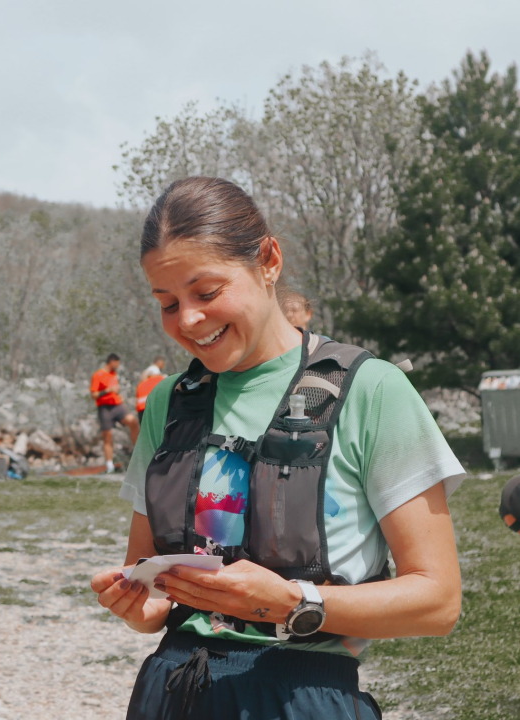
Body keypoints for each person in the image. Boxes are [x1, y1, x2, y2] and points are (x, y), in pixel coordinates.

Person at [91, 176, 464, 719]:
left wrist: (296, 602)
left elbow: (438, 602)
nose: (187, 320)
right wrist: (136, 604)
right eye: (167, 303)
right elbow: (153, 594)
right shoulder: (170, 402)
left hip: (302, 696)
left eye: (206, 292)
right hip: (170, 691)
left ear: (269, 260)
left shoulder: (372, 389)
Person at [90, 353, 140, 473]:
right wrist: (108, 390)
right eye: (117, 363)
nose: (118, 366)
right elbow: (94, 395)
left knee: (133, 421)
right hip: (104, 408)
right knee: (108, 436)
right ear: (112, 362)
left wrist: (119, 396)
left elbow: (115, 390)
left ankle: (138, 454)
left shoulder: (113, 374)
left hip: (117, 406)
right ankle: (109, 465)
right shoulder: (98, 375)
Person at [135, 355, 168, 422]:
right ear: (160, 362)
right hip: (151, 405)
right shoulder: (154, 370)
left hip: (141, 406)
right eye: (163, 363)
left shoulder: (145, 376)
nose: (163, 366)